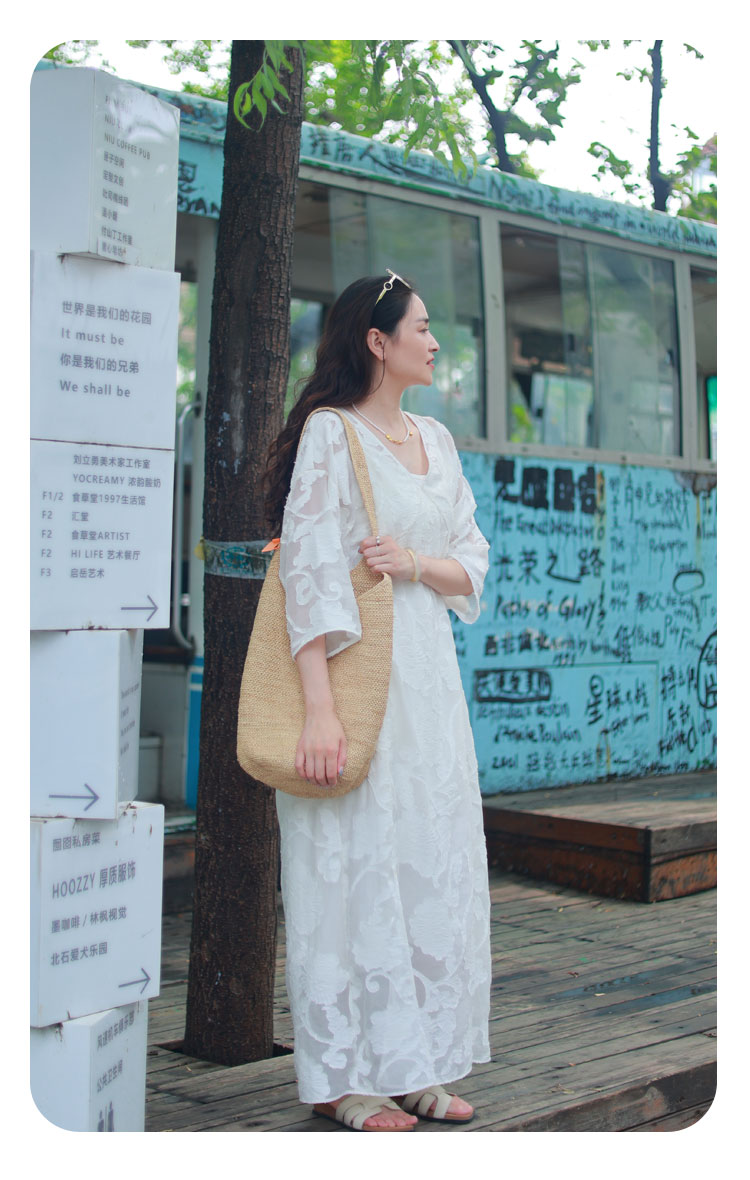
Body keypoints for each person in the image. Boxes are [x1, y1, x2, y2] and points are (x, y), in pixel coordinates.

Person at [263, 270, 491, 1132]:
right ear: (377, 341)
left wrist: (414, 563)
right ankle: (345, 1081)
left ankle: (416, 1064)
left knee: (428, 864)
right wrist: (319, 710)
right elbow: (308, 572)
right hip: (357, 680)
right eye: (421, 328)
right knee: (349, 871)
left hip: (429, 685)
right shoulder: (332, 432)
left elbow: (471, 560)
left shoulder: (437, 438)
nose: (433, 342)